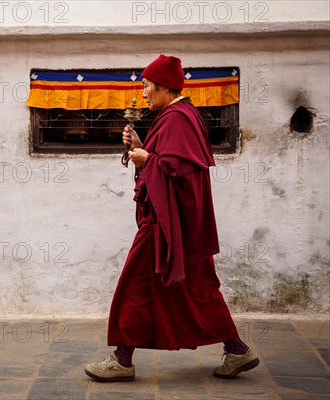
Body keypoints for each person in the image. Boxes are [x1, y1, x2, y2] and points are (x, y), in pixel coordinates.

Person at [85, 55, 259, 382]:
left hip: (167, 226)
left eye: (148, 86)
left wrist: (146, 159)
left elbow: (174, 172)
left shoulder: (178, 118)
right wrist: (141, 149)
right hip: (183, 224)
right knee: (198, 290)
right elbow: (168, 165)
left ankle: (123, 359)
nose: (145, 93)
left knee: (133, 286)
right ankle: (237, 350)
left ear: (164, 87)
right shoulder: (176, 116)